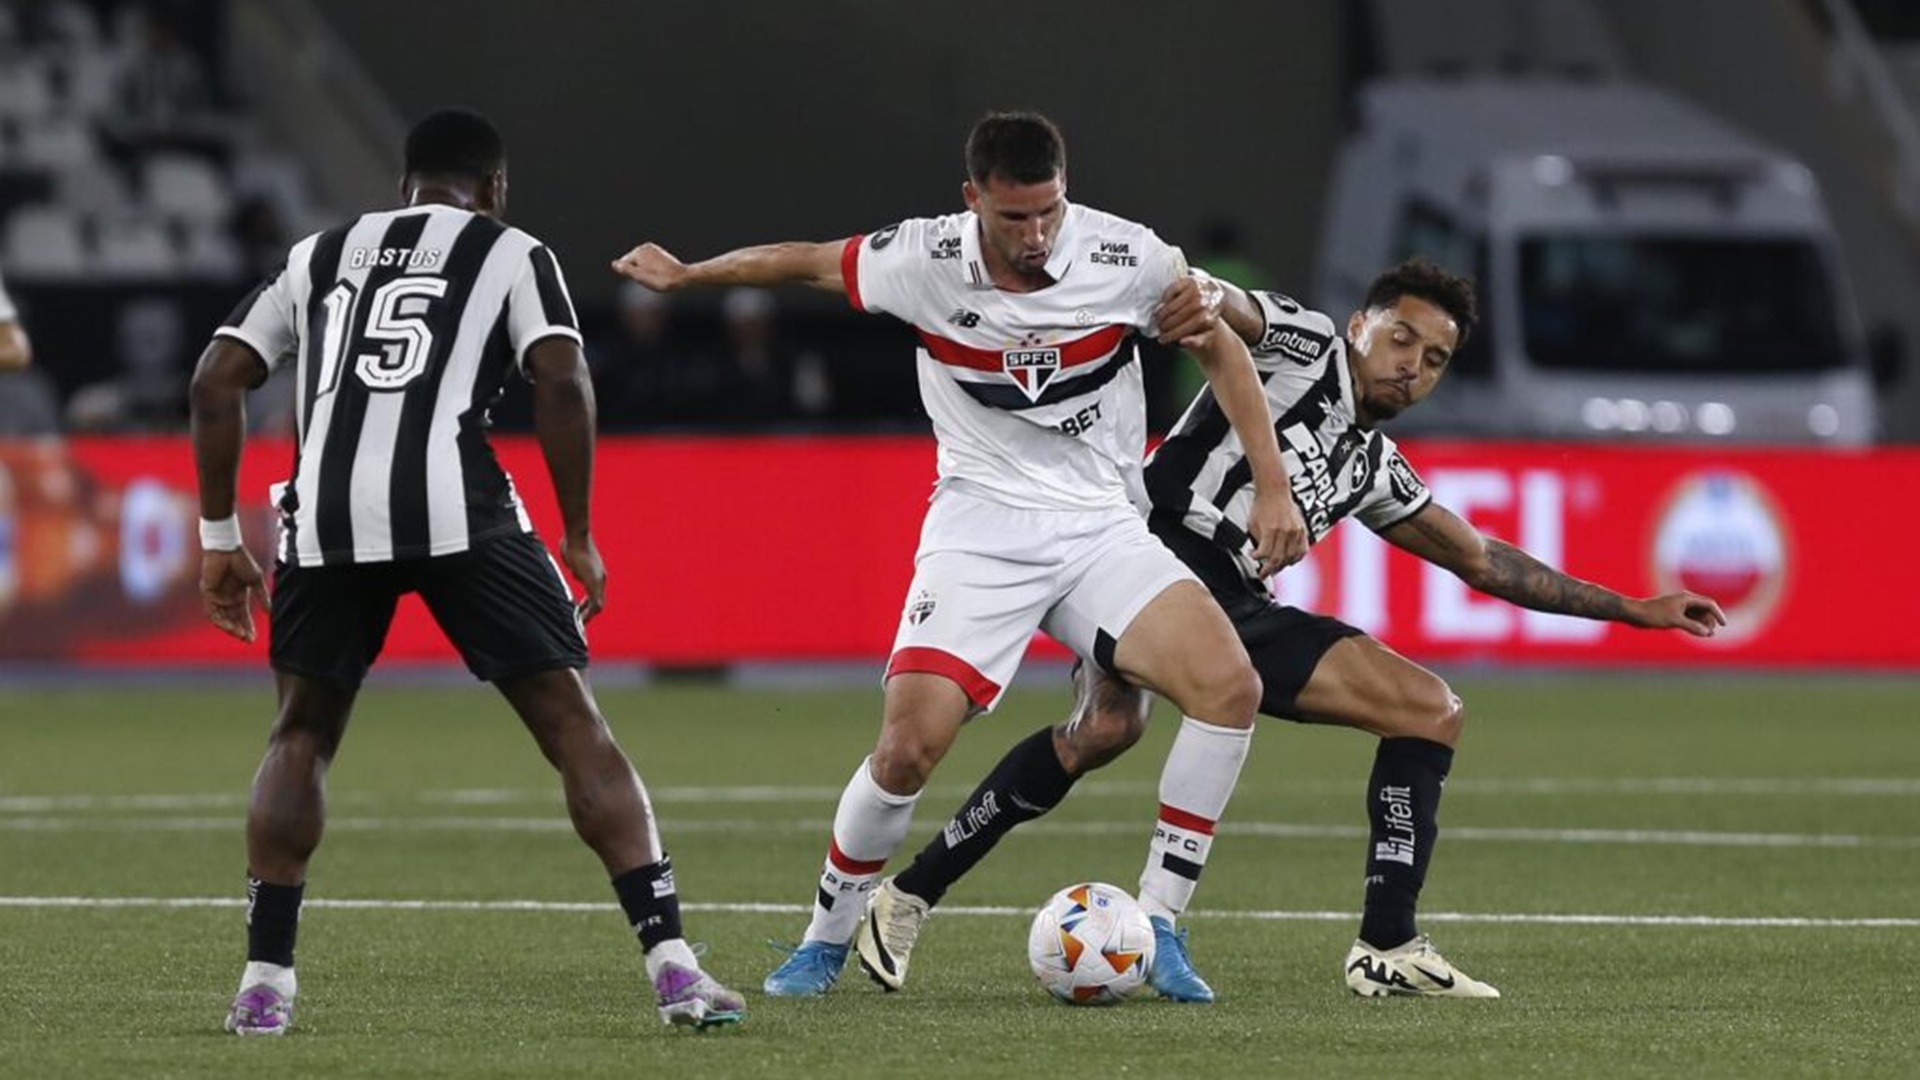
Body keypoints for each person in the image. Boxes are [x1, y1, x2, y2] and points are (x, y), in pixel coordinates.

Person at [879, 257, 1729, 999]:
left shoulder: (1370, 464)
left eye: (1434, 360)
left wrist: (1628, 606)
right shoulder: (1306, 342)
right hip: (1144, 553)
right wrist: (1199, 291)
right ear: (1362, 326)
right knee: (1133, 726)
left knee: (1120, 726)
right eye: (1402, 339)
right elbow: (1230, 310)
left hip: (1222, 597)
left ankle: (909, 895)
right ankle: (1348, 940)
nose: (1413, 367)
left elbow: (1482, 561)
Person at [612, 111, 1308, 1003]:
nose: (1037, 235)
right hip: (980, 530)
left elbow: (1224, 352)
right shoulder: (922, 260)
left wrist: (1274, 486)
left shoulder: (1130, 257)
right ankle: (825, 939)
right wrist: (689, 274)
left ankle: (1162, 926)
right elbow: (806, 258)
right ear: (972, 200)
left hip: (1099, 524)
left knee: (1230, 686)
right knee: (907, 749)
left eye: (1049, 211)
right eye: (1014, 217)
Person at [189, 109, 744, 1035]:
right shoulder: (511, 250)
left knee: (302, 733)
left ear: (406, 184)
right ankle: (675, 969)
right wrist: (576, 532)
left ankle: (263, 985)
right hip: (458, 505)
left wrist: (217, 536)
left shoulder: (321, 252)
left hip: (324, 511)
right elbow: (562, 380)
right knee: (574, 728)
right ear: (493, 188)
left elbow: (215, 377)